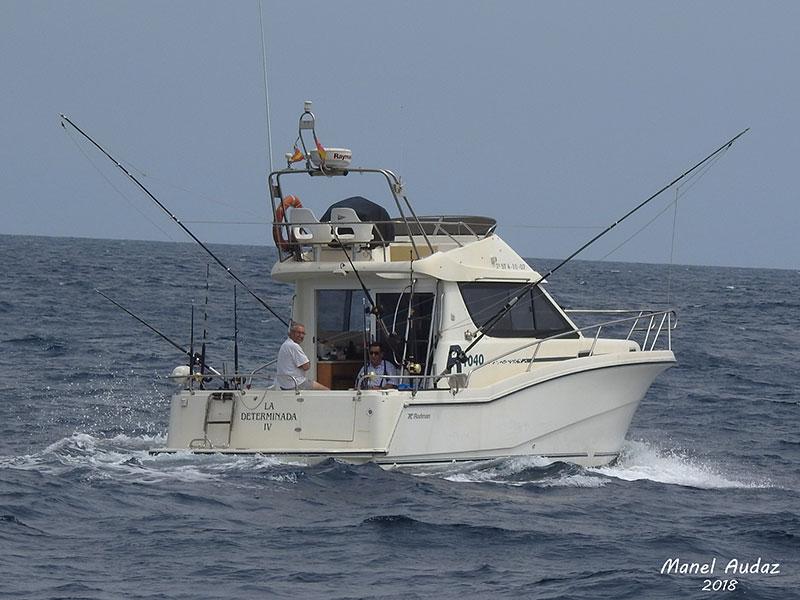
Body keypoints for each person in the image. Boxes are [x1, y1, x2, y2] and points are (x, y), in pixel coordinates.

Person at [276, 322, 328, 390]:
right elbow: (306, 366)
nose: (301, 336)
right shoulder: (294, 346)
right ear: (291, 333)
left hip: (284, 383)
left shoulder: (286, 344)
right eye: (298, 333)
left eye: (303, 333)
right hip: (295, 383)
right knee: (326, 391)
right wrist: (306, 362)